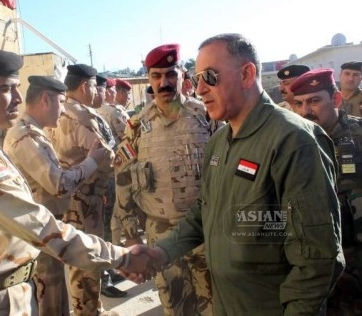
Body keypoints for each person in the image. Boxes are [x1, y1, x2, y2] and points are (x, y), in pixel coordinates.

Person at [0, 44, 150, 316]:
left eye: (16, 88)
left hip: (6, 291)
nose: (18, 99)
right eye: (5, 89)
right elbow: (40, 225)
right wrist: (123, 257)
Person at [141, 33, 344, 315]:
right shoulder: (219, 141)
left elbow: (317, 261)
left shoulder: (294, 141)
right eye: (197, 78)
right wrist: (160, 252)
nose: (199, 89)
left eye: (209, 77)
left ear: (247, 74)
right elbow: (204, 211)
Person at [114, 43, 215, 316]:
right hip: (160, 234)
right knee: (175, 308)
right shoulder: (137, 125)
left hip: (205, 233)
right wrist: (129, 235)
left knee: (214, 308)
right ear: (149, 79)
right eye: (156, 76)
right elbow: (123, 180)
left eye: (170, 74)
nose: (164, 82)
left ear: (183, 74)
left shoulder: (207, 116)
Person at [2, 75, 113, 315]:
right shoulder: (26, 136)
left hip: (45, 230)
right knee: (49, 303)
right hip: (36, 233)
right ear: (45, 99)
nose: (63, 110)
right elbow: (58, 184)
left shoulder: (33, 133)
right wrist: (92, 162)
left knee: (57, 298)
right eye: (61, 102)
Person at [49, 64, 120, 315]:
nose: (94, 91)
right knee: (88, 263)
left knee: (78, 261)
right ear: (84, 86)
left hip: (66, 198)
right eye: (93, 86)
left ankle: (90, 308)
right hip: (86, 202)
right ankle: (89, 311)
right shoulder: (84, 116)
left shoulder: (57, 111)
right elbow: (105, 157)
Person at [290, 68, 362, 315]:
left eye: (314, 101)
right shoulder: (294, 146)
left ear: (337, 99)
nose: (304, 111)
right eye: (298, 104)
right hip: (320, 276)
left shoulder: (359, 136)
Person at [91, 75, 128, 299]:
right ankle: (104, 278)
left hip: (103, 180)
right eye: (105, 90)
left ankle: (108, 271)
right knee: (101, 231)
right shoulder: (95, 116)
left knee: (104, 228)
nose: (106, 94)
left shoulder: (95, 114)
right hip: (102, 182)